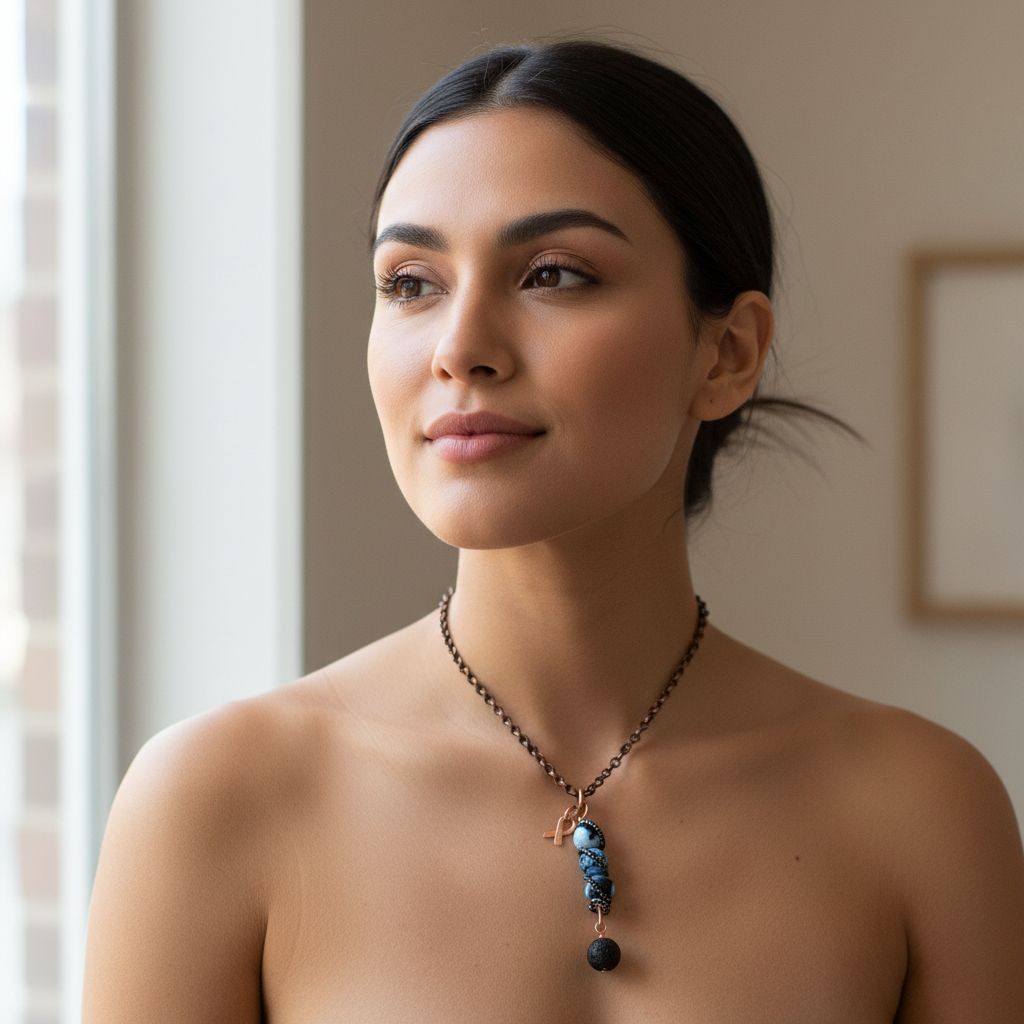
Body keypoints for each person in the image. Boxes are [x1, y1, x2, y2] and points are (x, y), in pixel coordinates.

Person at [82, 39, 1024, 1022]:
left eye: (554, 274)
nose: (460, 349)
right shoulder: (216, 800)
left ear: (728, 352)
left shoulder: (920, 809)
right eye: (410, 282)